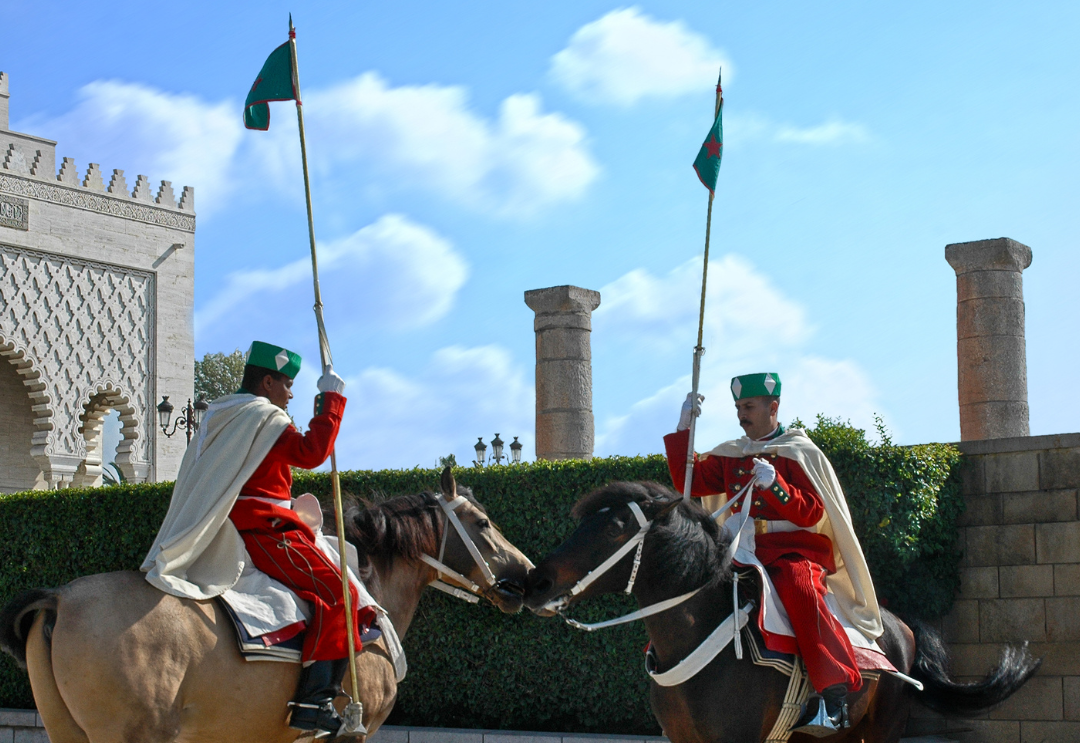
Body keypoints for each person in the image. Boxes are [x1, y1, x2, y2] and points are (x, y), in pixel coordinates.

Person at [141, 341, 371, 737]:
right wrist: (330, 400)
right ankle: (314, 704)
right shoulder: (264, 417)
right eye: (287, 383)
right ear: (267, 382)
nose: (291, 393)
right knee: (340, 595)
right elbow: (311, 452)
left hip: (236, 523)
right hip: (267, 530)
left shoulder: (222, 415)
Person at [663, 373, 882, 736]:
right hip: (741, 548)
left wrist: (777, 486)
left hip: (793, 550)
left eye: (748, 407)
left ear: (773, 407)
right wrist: (683, 429)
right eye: (737, 407)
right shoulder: (732, 453)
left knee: (799, 588)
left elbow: (812, 512)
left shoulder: (798, 451)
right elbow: (690, 482)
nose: (740, 415)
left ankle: (833, 693)